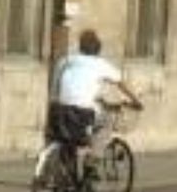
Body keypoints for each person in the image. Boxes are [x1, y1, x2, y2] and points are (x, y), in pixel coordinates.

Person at [48, 29, 143, 175]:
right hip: (81, 113)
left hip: (58, 110)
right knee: (106, 122)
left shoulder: (66, 60)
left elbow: (56, 87)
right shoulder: (100, 64)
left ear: (80, 47)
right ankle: (92, 161)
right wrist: (136, 101)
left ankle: (65, 182)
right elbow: (121, 83)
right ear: (98, 49)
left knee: (68, 139)